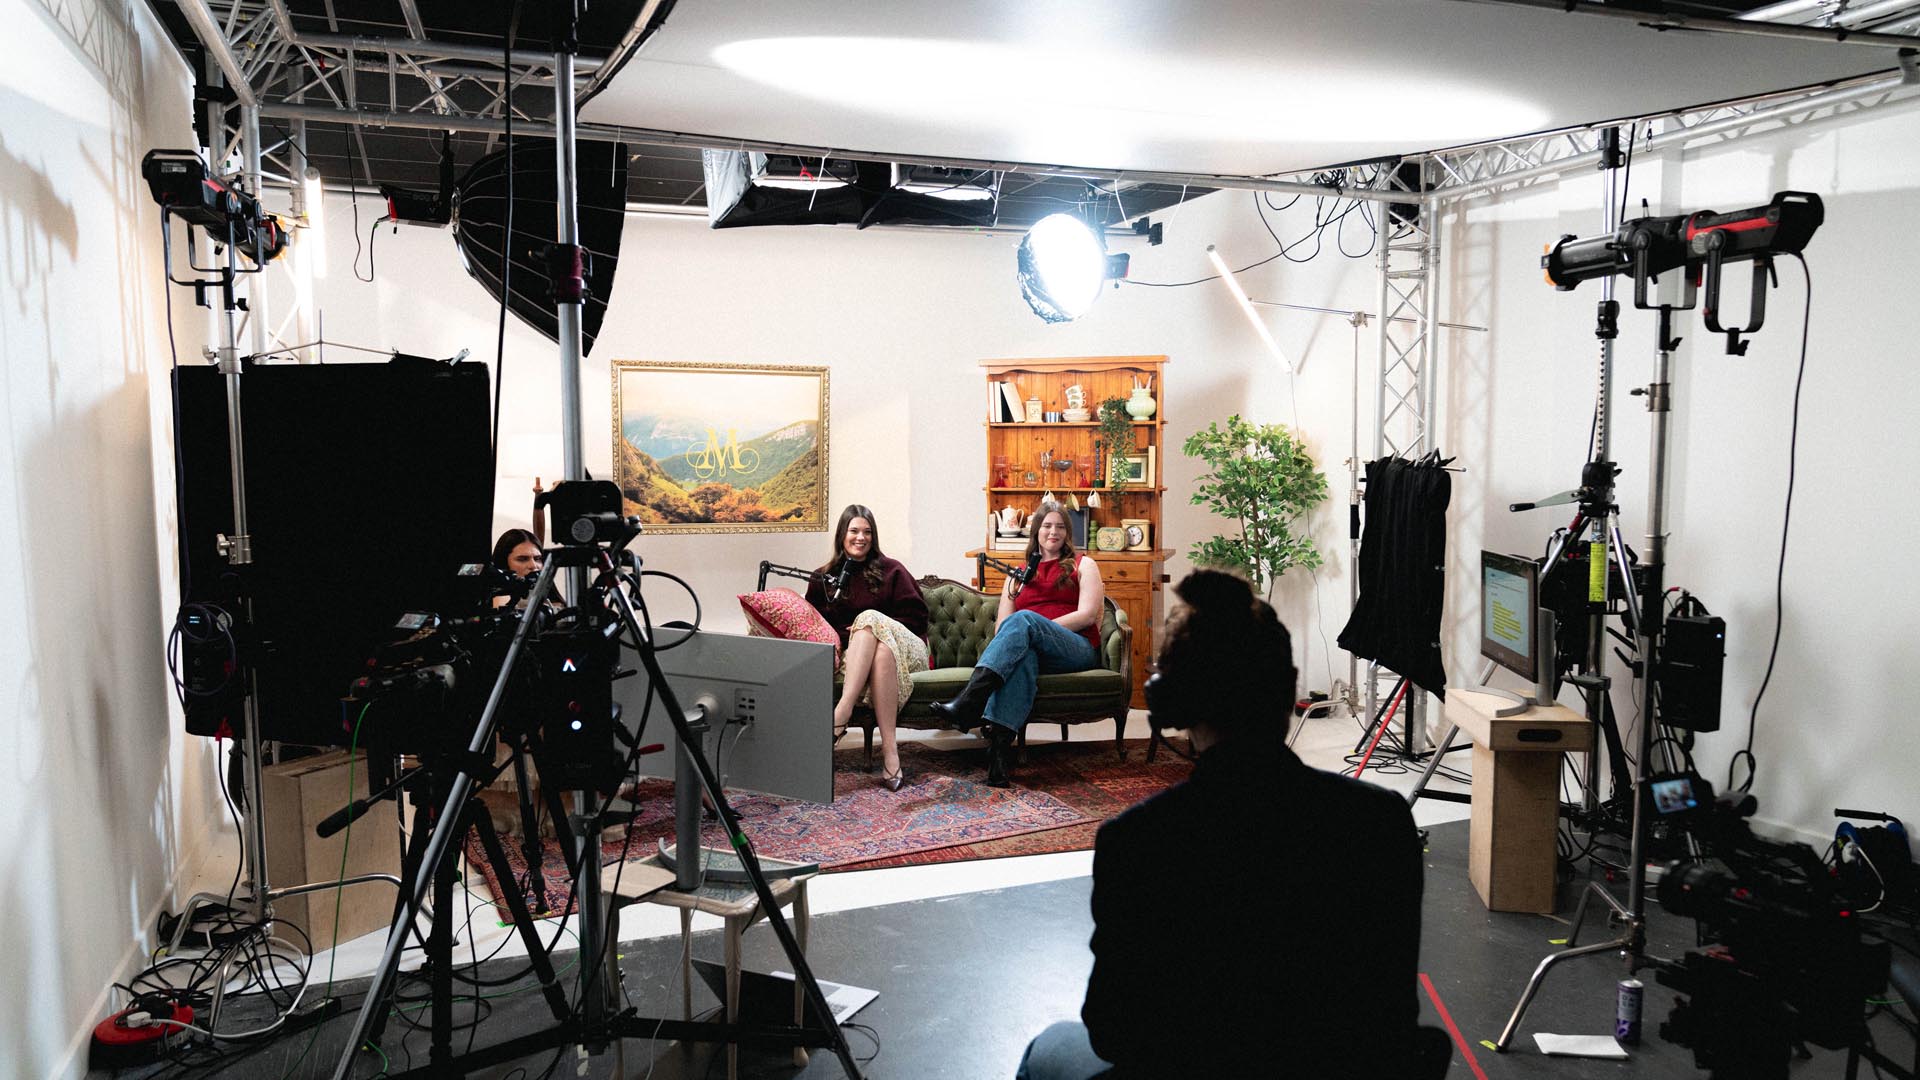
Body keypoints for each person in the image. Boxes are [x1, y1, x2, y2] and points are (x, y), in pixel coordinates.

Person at [1015, 570, 1442, 1080]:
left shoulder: (1137, 843)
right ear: (1289, 693)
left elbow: (1112, 1030)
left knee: (1049, 1049)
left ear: (1173, 707)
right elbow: (1390, 1020)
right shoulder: (1381, 823)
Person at [931, 500, 1105, 788]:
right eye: (1047, 526)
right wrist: (1030, 634)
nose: (1054, 532)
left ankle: (970, 700)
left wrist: (1038, 628)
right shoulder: (1017, 575)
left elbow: (1087, 615)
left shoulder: (1084, 564)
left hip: (1076, 648)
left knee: (1025, 621)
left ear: (1067, 534)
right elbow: (1002, 627)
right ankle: (998, 759)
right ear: (1036, 532)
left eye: (1060, 527)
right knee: (1024, 657)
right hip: (1036, 650)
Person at [805, 505, 930, 792]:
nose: (861, 537)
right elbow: (818, 626)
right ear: (842, 535)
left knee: (870, 620)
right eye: (854, 531)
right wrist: (863, 636)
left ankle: (842, 712)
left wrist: (873, 626)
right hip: (862, 657)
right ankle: (890, 753)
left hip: (910, 650)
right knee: (880, 650)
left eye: (867, 532)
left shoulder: (892, 570)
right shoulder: (823, 578)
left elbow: (918, 617)